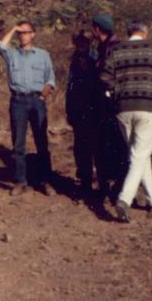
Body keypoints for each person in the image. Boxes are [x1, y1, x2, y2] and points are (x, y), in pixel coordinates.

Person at [99, 20, 152, 222]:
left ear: (128, 32)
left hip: (123, 109)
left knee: (138, 154)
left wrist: (116, 89)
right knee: (139, 154)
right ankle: (124, 199)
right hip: (147, 108)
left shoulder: (117, 50)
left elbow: (104, 76)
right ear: (145, 33)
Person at [0, 21, 56, 196]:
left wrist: (42, 95)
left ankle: (45, 181)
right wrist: (13, 28)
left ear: (33, 34)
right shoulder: (12, 55)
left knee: (41, 143)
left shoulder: (43, 55)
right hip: (18, 102)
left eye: (26, 32)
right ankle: (20, 181)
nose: (23, 36)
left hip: (37, 101)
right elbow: (0, 45)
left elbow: (50, 79)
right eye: (20, 33)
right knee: (18, 144)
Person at [90, 12, 125, 198]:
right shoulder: (106, 46)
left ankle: (117, 187)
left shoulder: (111, 48)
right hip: (109, 103)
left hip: (110, 103)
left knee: (113, 144)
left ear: (96, 29)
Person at [65, 30, 98, 198]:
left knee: (95, 146)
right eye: (79, 42)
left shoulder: (95, 56)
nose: (81, 45)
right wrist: (69, 109)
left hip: (93, 108)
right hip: (78, 109)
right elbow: (70, 86)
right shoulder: (75, 58)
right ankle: (85, 182)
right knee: (80, 146)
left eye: (84, 42)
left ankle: (99, 183)